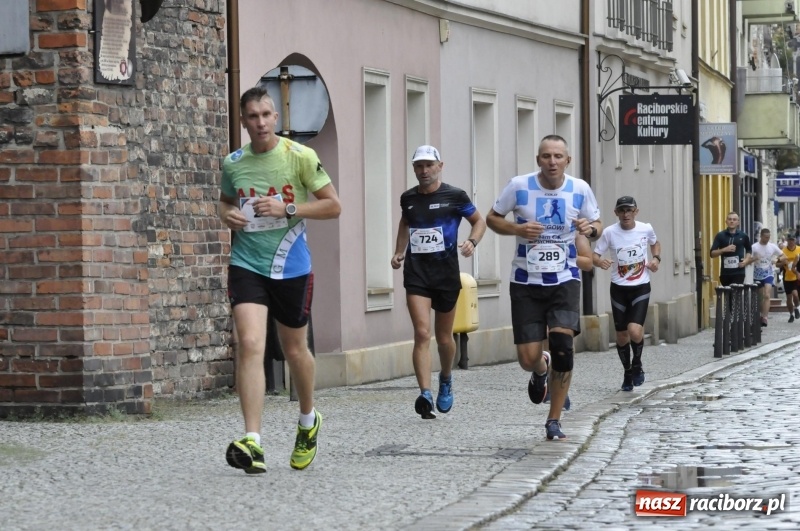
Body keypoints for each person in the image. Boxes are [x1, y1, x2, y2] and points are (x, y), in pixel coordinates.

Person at [219, 86, 341, 473]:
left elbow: (333, 206)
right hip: (247, 261)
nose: (260, 123)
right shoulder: (233, 163)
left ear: (276, 118)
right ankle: (253, 440)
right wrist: (226, 214)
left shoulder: (300, 157)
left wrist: (287, 206)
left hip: (291, 265)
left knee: (295, 350)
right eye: (252, 117)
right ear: (243, 121)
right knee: (250, 342)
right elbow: (225, 201)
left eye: (266, 115)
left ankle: (308, 419)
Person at [486, 134, 602, 441]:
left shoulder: (579, 189)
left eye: (558, 156)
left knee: (563, 347)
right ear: (538, 159)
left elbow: (597, 224)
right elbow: (492, 219)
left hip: (565, 278)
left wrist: (589, 228)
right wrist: (518, 229)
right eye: (546, 156)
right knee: (527, 358)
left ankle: (554, 420)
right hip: (525, 280)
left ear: (568, 160)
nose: (552, 161)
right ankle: (541, 369)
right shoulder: (519, 186)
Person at [391, 145, 486, 419]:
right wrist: (399, 252)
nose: (424, 171)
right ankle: (425, 393)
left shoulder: (455, 196)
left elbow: (479, 221)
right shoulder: (408, 198)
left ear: (439, 166)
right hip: (417, 274)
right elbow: (404, 223)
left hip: (445, 274)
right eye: (419, 166)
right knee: (422, 333)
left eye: (428, 165)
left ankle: (445, 377)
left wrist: (472, 241)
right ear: (414, 169)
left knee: (444, 338)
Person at [592, 196, 660, 392]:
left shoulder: (645, 228)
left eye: (629, 210)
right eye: (621, 210)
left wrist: (656, 259)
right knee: (621, 336)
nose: (625, 214)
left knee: (634, 330)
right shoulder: (609, 233)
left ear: (636, 212)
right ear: (616, 213)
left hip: (640, 286)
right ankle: (628, 371)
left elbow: (656, 244)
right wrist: (600, 262)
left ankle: (637, 363)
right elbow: (595, 255)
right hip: (619, 288)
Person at [750, 228, 786, 327]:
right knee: (760, 297)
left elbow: (784, 256)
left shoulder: (772, 246)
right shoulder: (754, 247)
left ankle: (765, 317)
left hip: (768, 273)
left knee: (767, 295)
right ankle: (761, 314)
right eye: (765, 237)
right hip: (757, 274)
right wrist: (754, 259)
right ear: (761, 236)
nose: (767, 239)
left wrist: (777, 260)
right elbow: (748, 259)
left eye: (768, 237)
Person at [709, 212, 753, 287]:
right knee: (728, 296)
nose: (732, 221)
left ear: (738, 222)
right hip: (725, 273)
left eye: (734, 219)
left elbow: (749, 250)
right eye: (730, 219)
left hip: (739, 272)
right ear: (726, 221)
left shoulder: (743, 235)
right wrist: (724, 250)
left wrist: (745, 261)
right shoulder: (720, 235)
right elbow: (712, 254)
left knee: (735, 295)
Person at [781, 234, 800, 323]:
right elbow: (777, 264)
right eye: (790, 240)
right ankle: (791, 314)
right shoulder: (783, 251)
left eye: (793, 240)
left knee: (795, 295)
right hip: (787, 277)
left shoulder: (799, 249)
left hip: (796, 276)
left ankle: (797, 308)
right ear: (787, 241)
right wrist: (783, 262)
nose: (791, 242)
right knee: (789, 298)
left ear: (795, 240)